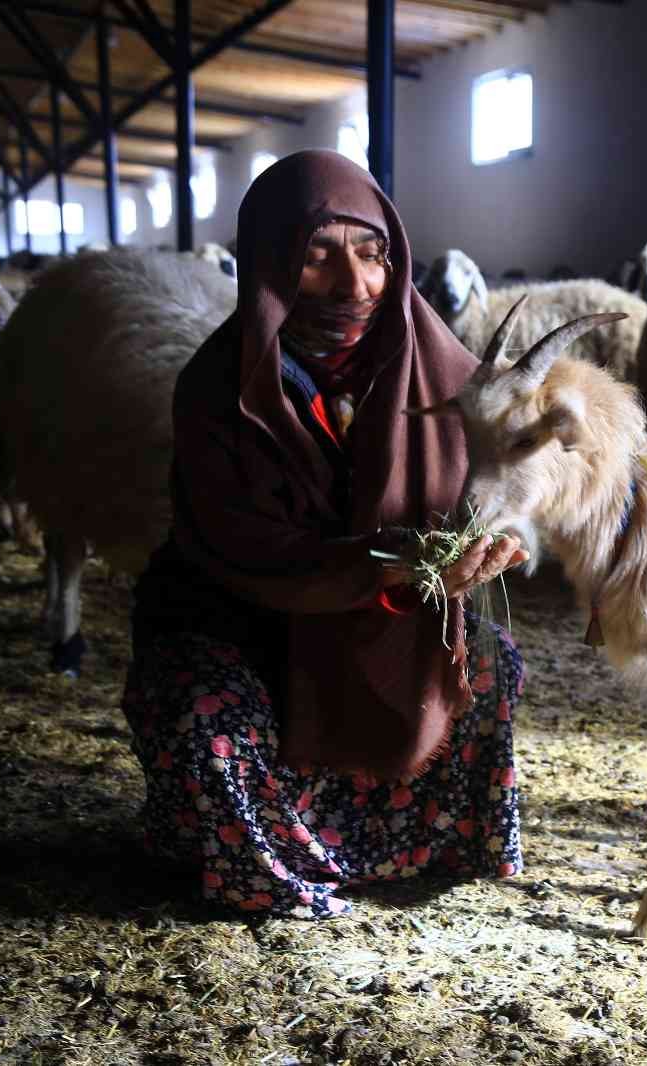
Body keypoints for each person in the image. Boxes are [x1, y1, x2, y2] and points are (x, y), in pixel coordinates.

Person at [122, 150, 529, 918]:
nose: (356, 285)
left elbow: (496, 485)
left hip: (385, 617)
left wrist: (490, 543)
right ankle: (265, 860)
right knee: (201, 709)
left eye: (374, 255)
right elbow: (244, 545)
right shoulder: (218, 391)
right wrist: (377, 565)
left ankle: (419, 847)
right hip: (244, 620)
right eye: (317, 257)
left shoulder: (439, 371)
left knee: (490, 659)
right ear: (271, 263)